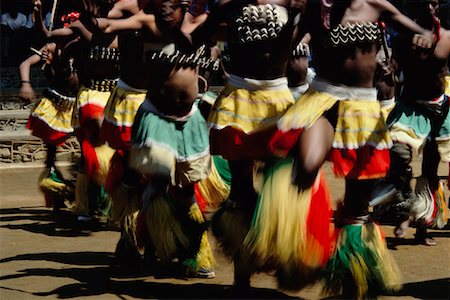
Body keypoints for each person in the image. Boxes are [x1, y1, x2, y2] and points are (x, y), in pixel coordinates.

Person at [260, 0, 436, 297]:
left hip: (363, 108)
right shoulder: (315, 10)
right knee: (305, 166)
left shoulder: (375, 4)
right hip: (323, 99)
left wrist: (423, 38)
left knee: (357, 208)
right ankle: (295, 253)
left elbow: (422, 33)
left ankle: (351, 279)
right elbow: (281, 52)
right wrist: (291, 23)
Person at [179, 0, 336, 292]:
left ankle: (288, 260)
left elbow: (299, 42)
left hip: (277, 102)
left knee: (285, 186)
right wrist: (216, 18)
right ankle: (242, 276)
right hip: (239, 101)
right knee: (240, 191)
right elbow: (196, 38)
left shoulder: (290, 3)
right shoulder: (230, 6)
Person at [84, 0, 218, 278]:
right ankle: (147, 248)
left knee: (184, 190)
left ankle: (195, 250)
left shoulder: (201, 24)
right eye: (161, 4)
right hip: (154, 116)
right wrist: (94, 20)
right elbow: (109, 25)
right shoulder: (147, 21)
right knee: (152, 183)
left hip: (188, 120)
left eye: (171, 5)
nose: (165, 10)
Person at [33, 0, 120, 222]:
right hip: (89, 96)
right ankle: (84, 206)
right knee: (90, 153)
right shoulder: (79, 29)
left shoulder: (123, 28)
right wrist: (39, 16)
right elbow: (48, 34)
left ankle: (110, 205)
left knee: (115, 155)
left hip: (116, 98)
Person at [384, 0, 450, 246]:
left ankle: (424, 226)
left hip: (439, 109)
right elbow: (396, 68)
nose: (429, 8)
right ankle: (404, 212)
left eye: (433, 3)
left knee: (431, 169)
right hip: (410, 106)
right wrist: (390, 68)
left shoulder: (446, 37)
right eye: (424, 4)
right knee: (399, 155)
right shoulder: (401, 41)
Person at [19, 39, 79, 210]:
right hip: (54, 106)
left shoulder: (85, 44)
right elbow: (26, 63)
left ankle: (84, 190)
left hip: (78, 103)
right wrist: (25, 84)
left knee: (89, 148)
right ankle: (56, 191)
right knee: (50, 155)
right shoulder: (53, 47)